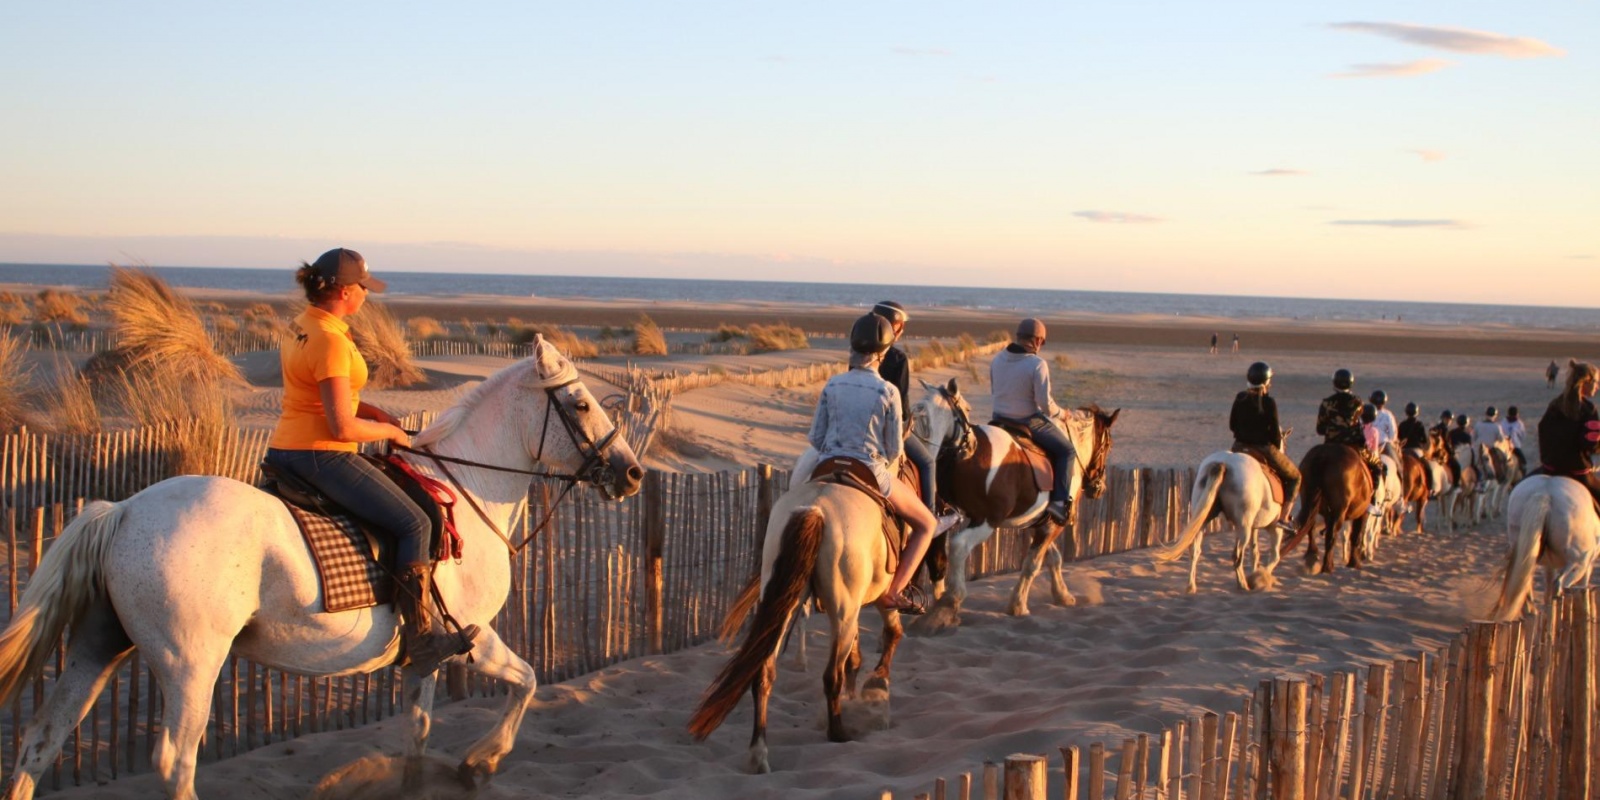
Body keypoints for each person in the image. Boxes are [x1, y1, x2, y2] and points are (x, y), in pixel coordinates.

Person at [265, 248, 477, 670]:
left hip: (286, 447)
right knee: (415, 522)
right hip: (321, 454)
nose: (367, 294)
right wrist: (391, 432)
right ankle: (419, 639)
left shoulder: (305, 325)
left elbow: (315, 397)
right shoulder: (330, 341)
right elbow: (341, 428)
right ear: (344, 291)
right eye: (363, 286)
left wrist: (373, 411)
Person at [809, 313, 951, 614]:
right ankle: (894, 592)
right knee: (926, 524)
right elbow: (893, 449)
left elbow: (815, 438)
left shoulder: (833, 384)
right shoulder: (888, 391)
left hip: (826, 464)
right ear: (883, 353)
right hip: (869, 468)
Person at [991, 318, 1076, 524]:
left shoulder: (997, 358)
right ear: (1037, 341)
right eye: (1042, 342)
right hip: (1027, 420)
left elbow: (995, 390)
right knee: (1067, 451)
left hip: (998, 418)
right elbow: (1045, 404)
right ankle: (1058, 502)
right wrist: (1062, 414)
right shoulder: (1037, 364)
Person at [870, 300, 943, 520]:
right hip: (886, 427)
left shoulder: (859, 352)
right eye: (901, 326)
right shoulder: (897, 358)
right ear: (896, 327)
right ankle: (931, 517)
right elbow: (899, 403)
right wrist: (905, 425)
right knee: (928, 462)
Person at [1228, 361, 1300, 529]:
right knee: (1295, 477)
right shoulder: (1269, 402)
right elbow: (1275, 432)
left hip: (1238, 447)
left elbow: (1232, 425)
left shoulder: (1240, 398)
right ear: (1267, 381)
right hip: (1263, 448)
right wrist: (1275, 446)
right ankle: (1283, 518)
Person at [1534, 361, 1600, 509]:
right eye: (1596, 382)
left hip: (1550, 468)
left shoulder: (1555, 404)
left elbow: (1542, 430)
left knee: (1519, 486)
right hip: (1578, 470)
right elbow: (1589, 443)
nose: (1598, 387)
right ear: (1586, 382)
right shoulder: (1589, 410)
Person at [1316, 368, 1381, 514]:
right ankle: (1372, 501)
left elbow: (1320, 429)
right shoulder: (1357, 402)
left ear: (1335, 383)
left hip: (1330, 444)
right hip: (1352, 445)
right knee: (1377, 465)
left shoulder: (1327, 403)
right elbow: (1359, 425)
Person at [1398, 402, 1432, 491]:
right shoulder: (1419, 424)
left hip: (1403, 450)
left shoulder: (1402, 425)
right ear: (1416, 412)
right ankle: (1430, 488)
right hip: (1416, 450)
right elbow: (1424, 439)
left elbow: (1399, 438)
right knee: (1428, 467)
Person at [1472, 406, 1507, 473]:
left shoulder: (1478, 424)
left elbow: (1473, 438)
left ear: (1486, 414)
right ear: (1495, 416)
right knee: (1503, 460)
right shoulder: (1496, 426)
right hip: (1491, 449)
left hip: (1477, 449)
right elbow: (1501, 439)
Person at [1370, 390, 1399, 463]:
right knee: (1397, 464)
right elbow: (1392, 434)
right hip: (1384, 445)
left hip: (1369, 445)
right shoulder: (1388, 415)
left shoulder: (1365, 413)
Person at [1503, 405, 1527, 470]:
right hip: (1511, 446)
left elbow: (1523, 436)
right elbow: (1523, 436)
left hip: (1509, 446)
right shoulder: (1519, 423)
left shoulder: (1504, 422)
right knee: (1524, 462)